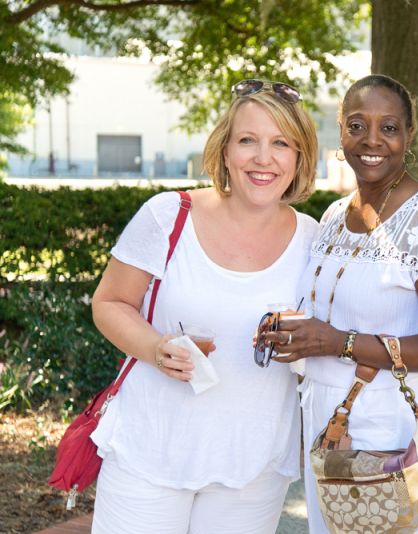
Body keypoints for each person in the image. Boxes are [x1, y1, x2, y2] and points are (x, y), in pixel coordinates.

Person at [89, 79, 319, 534]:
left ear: (299, 157)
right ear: (225, 149)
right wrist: (157, 347)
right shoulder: (167, 215)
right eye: (247, 140)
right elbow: (109, 302)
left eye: (280, 144)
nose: (263, 158)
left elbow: (323, 338)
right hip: (151, 449)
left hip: (253, 466)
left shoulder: (314, 238)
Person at [265, 74, 418, 533]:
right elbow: (334, 312)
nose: (372, 140)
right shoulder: (336, 215)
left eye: (389, 127)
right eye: (357, 125)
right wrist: (294, 329)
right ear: (340, 130)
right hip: (326, 419)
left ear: (409, 134)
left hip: (391, 421)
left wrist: (340, 342)